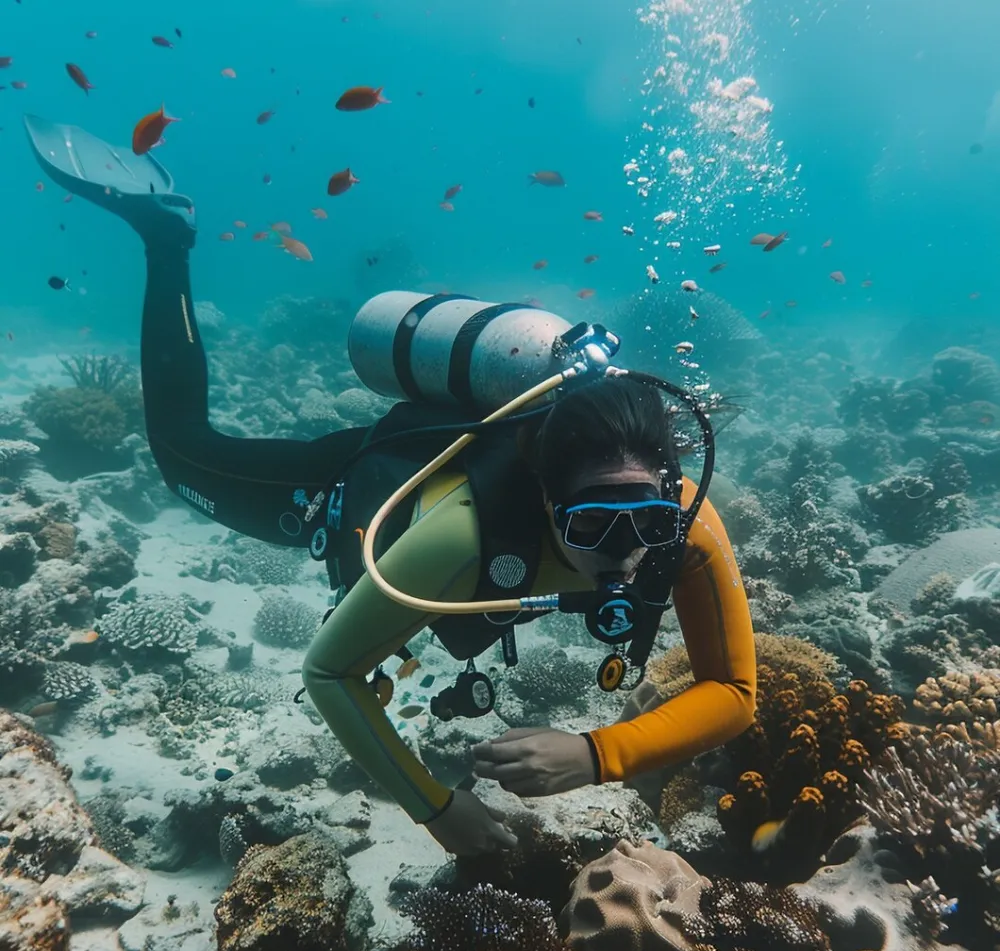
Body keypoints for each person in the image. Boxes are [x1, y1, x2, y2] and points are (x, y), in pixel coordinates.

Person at [26, 116, 757, 858]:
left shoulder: (689, 524)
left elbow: (733, 693)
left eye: (650, 524)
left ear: (674, 497)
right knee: (183, 455)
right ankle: (166, 237)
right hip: (352, 488)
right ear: (544, 499)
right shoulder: (461, 536)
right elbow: (327, 669)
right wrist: (437, 810)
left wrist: (600, 753)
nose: (628, 554)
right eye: (593, 524)